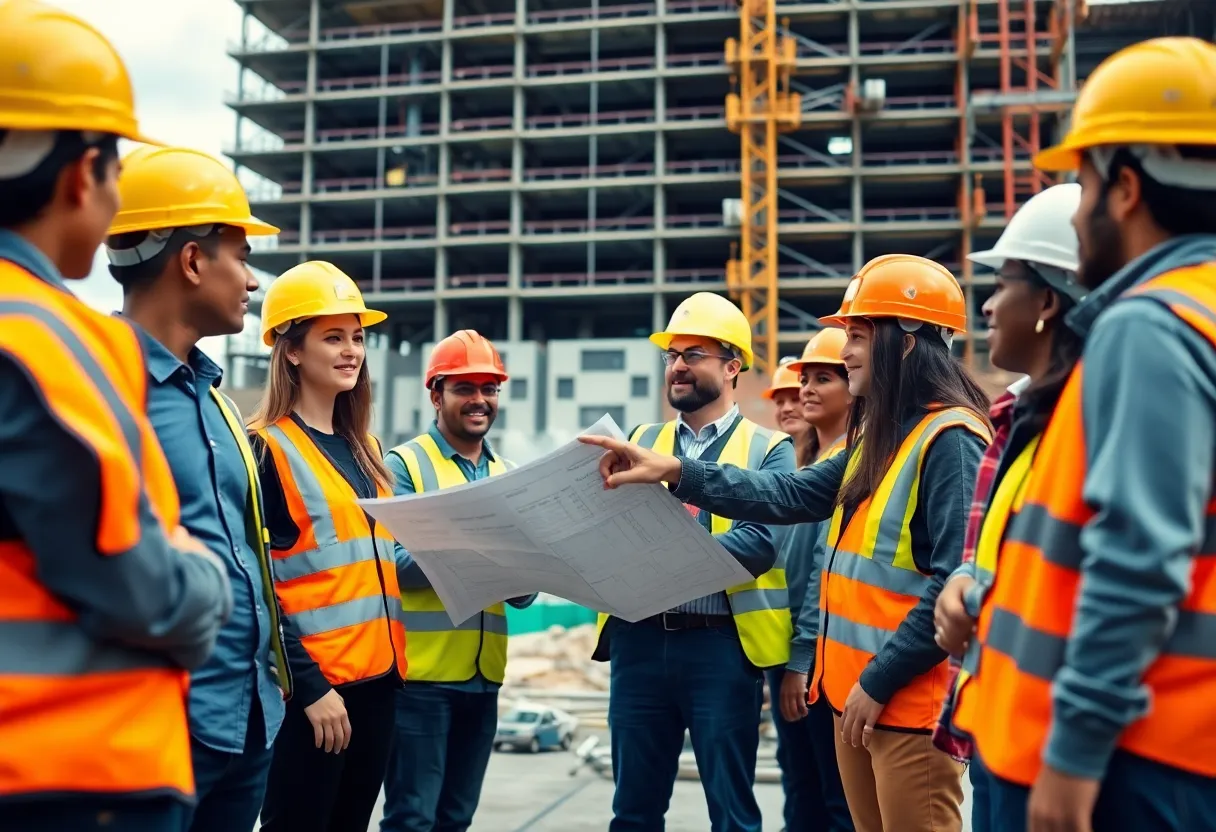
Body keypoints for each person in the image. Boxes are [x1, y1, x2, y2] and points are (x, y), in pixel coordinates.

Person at [581, 257, 992, 832]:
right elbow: (789, 494)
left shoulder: (950, 440)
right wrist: (677, 469)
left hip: (901, 700)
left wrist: (877, 680)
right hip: (859, 700)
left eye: (855, 336)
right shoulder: (888, 437)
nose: (842, 351)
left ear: (904, 344)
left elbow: (957, 580)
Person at [944, 37, 1216, 832]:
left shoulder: (1150, 326)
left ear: (1126, 188)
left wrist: (1072, 759)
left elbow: (1139, 557)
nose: (1081, 204)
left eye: (1085, 181)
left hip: (1128, 760)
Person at [0, 2, 233, 830]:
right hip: (67, 767)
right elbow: (126, 575)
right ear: (79, 175)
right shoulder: (43, 335)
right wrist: (208, 585)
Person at [104, 145, 292, 832]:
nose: (250, 280)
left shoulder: (216, 400)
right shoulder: (100, 383)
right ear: (191, 261)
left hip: (247, 720)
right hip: (156, 729)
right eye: (240, 257)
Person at [591, 291, 796, 832]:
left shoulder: (770, 450)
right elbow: (611, 533)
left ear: (732, 367)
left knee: (731, 812)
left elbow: (758, 545)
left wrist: (662, 558)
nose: (677, 366)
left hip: (721, 648)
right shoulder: (639, 441)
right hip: (637, 643)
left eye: (693, 354)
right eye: (672, 355)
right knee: (633, 812)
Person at [928, 182, 1086, 832]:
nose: (988, 306)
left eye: (1004, 284)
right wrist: (967, 583)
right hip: (997, 724)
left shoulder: (1087, 419)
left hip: (1054, 746)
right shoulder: (1018, 422)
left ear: (1048, 300)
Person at [248, 261, 408, 832]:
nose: (351, 351)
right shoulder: (265, 450)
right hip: (314, 699)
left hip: (379, 686)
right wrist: (310, 687)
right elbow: (257, 588)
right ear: (291, 350)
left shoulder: (366, 448)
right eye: (332, 337)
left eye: (358, 337)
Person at [380, 329, 537, 832]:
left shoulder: (509, 474)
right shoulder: (403, 467)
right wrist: (478, 545)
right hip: (420, 681)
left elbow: (524, 593)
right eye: (464, 388)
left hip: (483, 678)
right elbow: (392, 566)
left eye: (489, 389)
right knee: (412, 819)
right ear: (436, 395)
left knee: (456, 820)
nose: (479, 400)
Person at [768, 328, 854, 832]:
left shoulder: (848, 465)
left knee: (832, 798)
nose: (806, 391)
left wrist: (800, 660)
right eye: (806, 379)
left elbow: (824, 568)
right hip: (790, 656)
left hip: (822, 660)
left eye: (824, 378)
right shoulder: (810, 464)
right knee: (801, 787)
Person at [762, 359, 811, 463]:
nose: (786, 408)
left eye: (796, 399)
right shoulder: (771, 457)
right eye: (779, 402)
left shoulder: (832, 454)